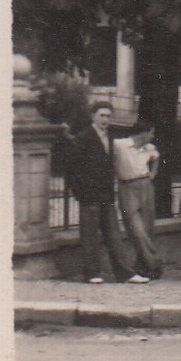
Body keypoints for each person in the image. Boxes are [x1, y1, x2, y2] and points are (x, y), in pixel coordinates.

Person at [62, 102, 148, 284]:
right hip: (89, 195)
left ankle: (124, 273)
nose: (105, 120)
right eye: (102, 115)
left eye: (108, 116)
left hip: (106, 195)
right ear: (93, 116)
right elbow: (72, 168)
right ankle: (92, 273)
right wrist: (81, 193)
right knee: (90, 235)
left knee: (113, 235)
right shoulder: (83, 137)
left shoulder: (109, 138)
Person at [112, 121, 163, 280]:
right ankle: (154, 262)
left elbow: (156, 158)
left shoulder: (150, 148)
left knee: (147, 229)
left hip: (145, 185)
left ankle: (143, 267)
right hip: (127, 187)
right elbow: (109, 158)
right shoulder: (119, 145)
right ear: (143, 133)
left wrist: (153, 174)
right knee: (136, 229)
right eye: (151, 133)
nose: (153, 136)